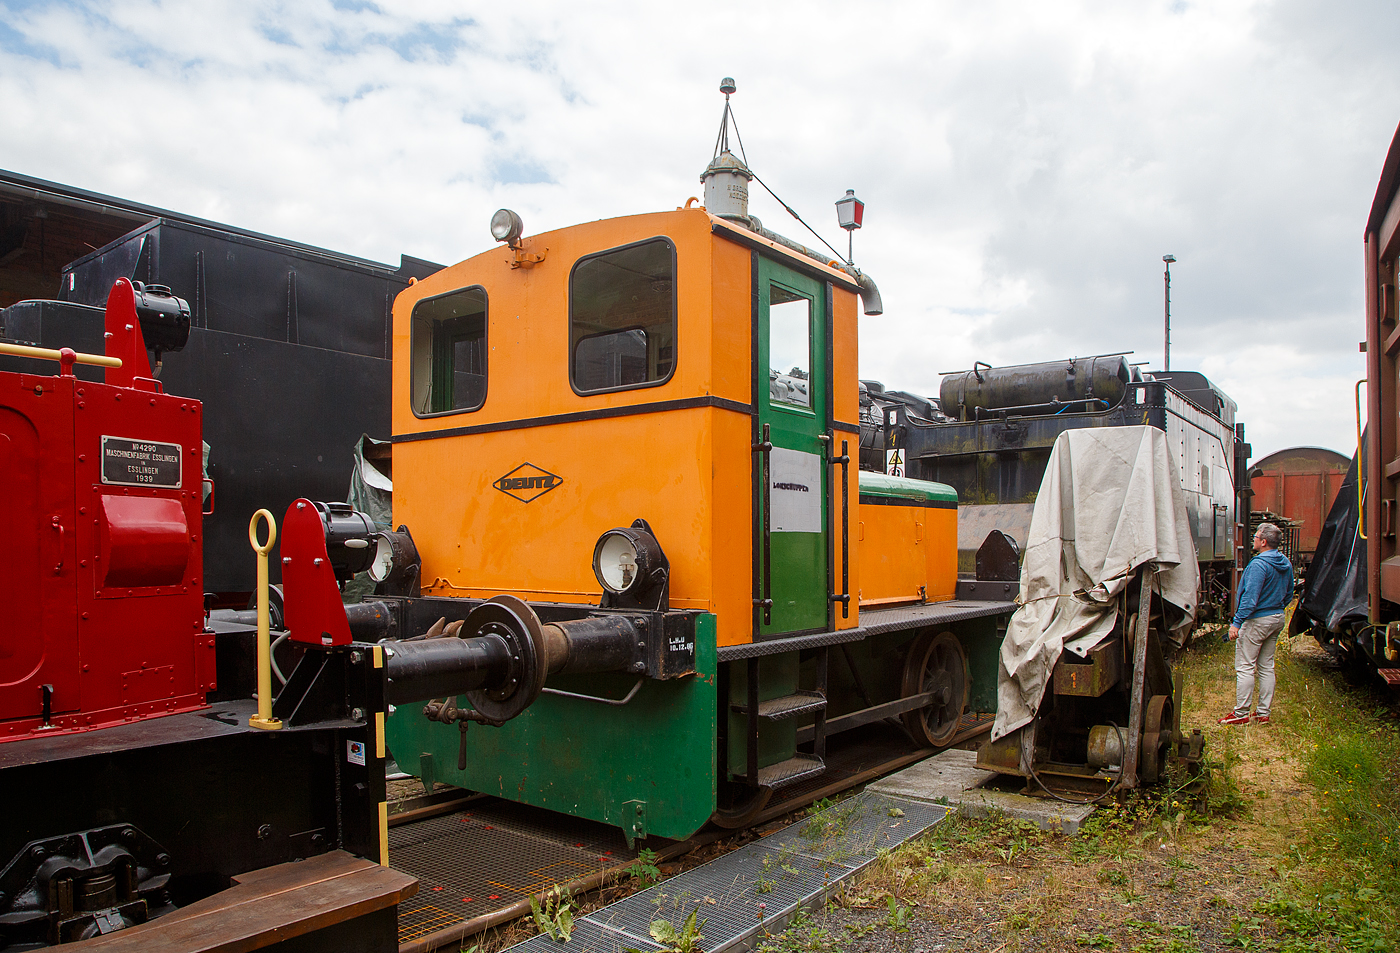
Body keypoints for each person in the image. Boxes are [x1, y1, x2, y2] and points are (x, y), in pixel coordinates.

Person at [1219, 523, 1294, 725]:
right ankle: (1263, 713)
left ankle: (1241, 713)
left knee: (1245, 666)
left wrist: (1236, 623)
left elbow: (1250, 599)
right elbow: (1289, 593)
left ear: (1264, 542)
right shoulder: (1285, 562)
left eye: (1256, 537)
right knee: (1266, 666)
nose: (1254, 539)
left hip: (1257, 620)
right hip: (1277, 617)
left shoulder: (1259, 565)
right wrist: (1276, 607)